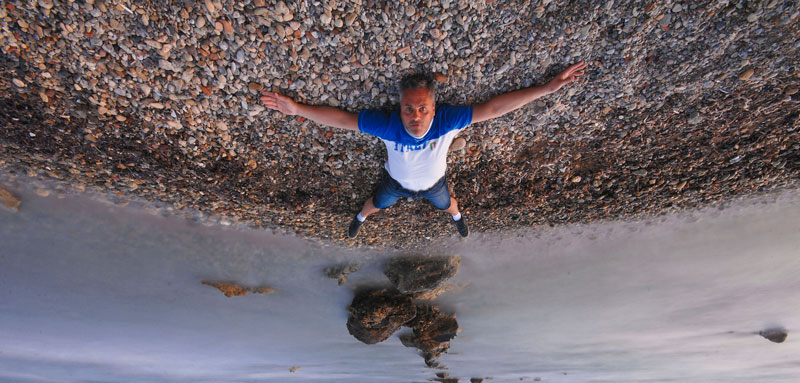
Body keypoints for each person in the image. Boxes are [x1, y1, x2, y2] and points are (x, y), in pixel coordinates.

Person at [260, 61, 586, 239]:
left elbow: (494, 108)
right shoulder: (388, 126)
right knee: (377, 203)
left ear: (434, 107)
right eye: (408, 109)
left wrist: (548, 87)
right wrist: (298, 109)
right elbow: (343, 120)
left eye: (422, 109)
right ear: (400, 107)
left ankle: (458, 219)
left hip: (435, 185)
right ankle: (359, 219)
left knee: (447, 204)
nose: (415, 117)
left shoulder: (448, 121)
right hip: (395, 184)